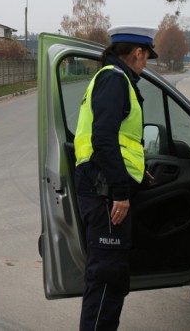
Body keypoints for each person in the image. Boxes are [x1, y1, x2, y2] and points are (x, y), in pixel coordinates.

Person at [73, 25, 158, 330]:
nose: (146, 62)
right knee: (107, 279)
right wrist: (121, 190)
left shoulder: (112, 77)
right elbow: (104, 140)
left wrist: (136, 171)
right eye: (147, 56)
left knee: (109, 278)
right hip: (105, 192)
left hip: (104, 185)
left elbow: (121, 141)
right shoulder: (114, 79)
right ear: (137, 52)